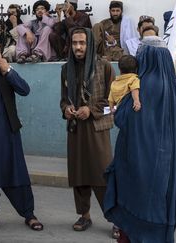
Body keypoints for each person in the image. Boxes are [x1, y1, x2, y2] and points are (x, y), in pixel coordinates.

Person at [104, 33, 176, 243]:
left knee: (136, 211)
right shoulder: (169, 83)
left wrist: (118, 107)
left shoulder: (142, 84)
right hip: (163, 158)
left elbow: (123, 118)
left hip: (139, 160)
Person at [0, 39, 44, 231]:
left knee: (17, 173)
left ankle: (28, 213)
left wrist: (8, 71)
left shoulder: (7, 73)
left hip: (9, 133)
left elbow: (25, 90)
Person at [59, 28, 114, 233]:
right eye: (74, 43)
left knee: (102, 175)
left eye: (82, 43)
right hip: (75, 128)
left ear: (90, 44)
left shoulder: (104, 67)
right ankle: (84, 216)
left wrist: (90, 110)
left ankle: (116, 218)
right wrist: (66, 109)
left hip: (97, 129)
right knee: (79, 174)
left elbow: (113, 102)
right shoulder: (66, 69)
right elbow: (63, 98)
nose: (78, 47)